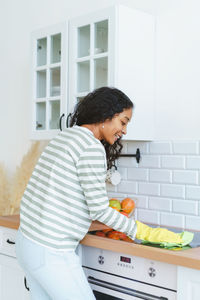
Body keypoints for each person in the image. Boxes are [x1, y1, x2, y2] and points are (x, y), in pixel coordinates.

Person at [16, 86, 183, 300]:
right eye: (123, 122)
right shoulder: (90, 146)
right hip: (51, 251)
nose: (124, 130)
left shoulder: (66, 136)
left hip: (27, 242)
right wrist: (142, 231)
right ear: (106, 114)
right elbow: (99, 209)